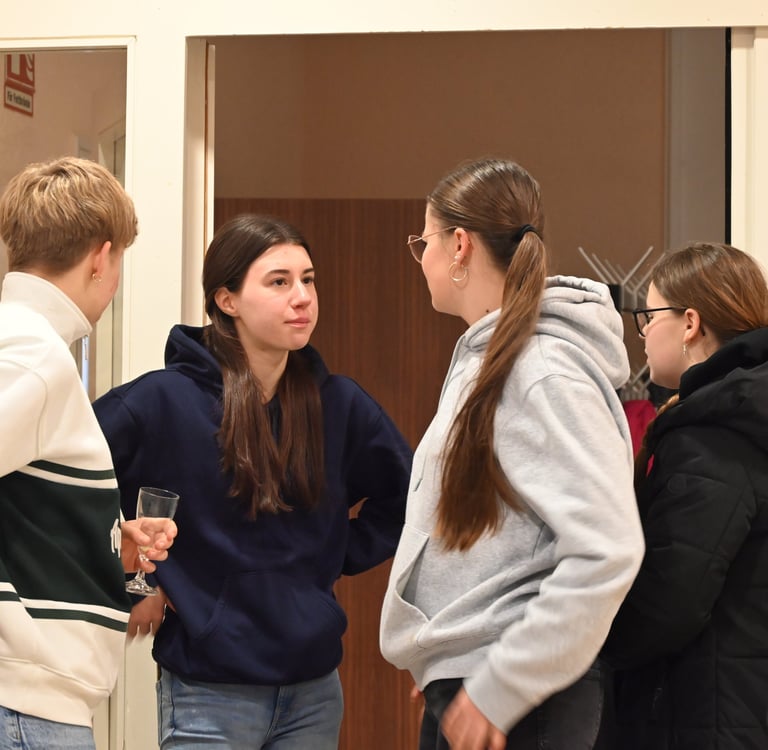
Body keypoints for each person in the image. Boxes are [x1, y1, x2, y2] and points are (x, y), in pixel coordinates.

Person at [93, 213, 412, 749]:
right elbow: (64, 484)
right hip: (206, 693)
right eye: (279, 282)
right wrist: (136, 578)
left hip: (314, 693)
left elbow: (407, 497)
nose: (302, 297)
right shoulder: (160, 400)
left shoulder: (340, 404)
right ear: (227, 300)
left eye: (308, 280)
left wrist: (329, 551)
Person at [379, 157, 645, 750]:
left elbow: (608, 550)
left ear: (459, 246)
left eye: (423, 241)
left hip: (523, 700)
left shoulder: (543, 370)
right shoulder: (488, 360)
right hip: (476, 678)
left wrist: (503, 682)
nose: (421, 258)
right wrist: (448, 647)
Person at [0, 156, 177, 750]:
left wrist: (105, 541)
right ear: (102, 258)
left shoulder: (25, 342)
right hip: (27, 703)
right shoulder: (34, 353)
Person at [600, 242, 768, 749]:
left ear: (690, 323)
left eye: (650, 317)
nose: (644, 333)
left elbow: (670, 601)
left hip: (705, 716)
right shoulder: (743, 414)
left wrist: (586, 649)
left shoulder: (715, 432)